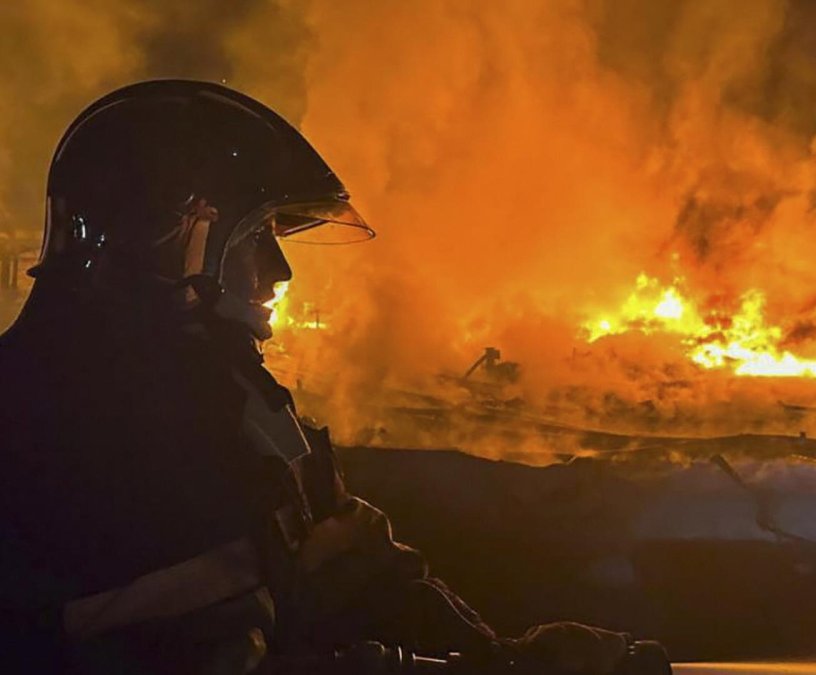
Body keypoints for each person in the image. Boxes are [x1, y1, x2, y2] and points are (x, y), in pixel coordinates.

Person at [0, 80, 668, 674]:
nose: (278, 272)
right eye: (255, 236)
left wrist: (498, 656)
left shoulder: (234, 399)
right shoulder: (49, 424)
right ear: (171, 236)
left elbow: (352, 571)